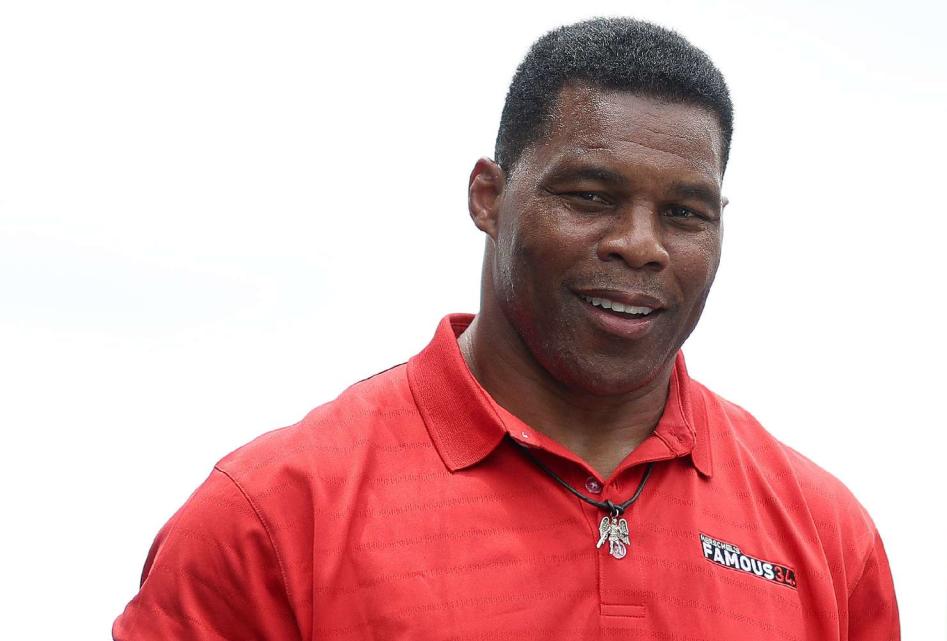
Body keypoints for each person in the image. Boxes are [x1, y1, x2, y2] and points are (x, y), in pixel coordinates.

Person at [113, 17, 899, 640]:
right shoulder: (274, 519)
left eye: (684, 213)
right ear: (488, 197)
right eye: (590, 195)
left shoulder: (827, 537)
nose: (641, 244)